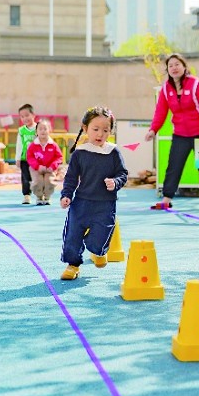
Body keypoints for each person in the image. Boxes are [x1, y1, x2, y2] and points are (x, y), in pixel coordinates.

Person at [60, 106, 128, 281]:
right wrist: (66, 195)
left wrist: (115, 182)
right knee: (72, 235)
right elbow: (71, 177)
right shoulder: (80, 153)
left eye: (105, 130)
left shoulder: (113, 152)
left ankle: (98, 251)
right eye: (95, 129)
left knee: (99, 238)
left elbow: (122, 174)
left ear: (110, 131)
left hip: (105, 204)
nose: (100, 134)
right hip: (81, 202)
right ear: (85, 128)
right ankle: (73, 265)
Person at [144, 53, 199, 210]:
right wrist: (153, 130)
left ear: (184, 66)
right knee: (173, 167)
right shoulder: (166, 89)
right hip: (180, 134)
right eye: (170, 66)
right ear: (167, 70)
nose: (174, 68)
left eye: (177, 64)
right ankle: (167, 199)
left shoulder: (196, 84)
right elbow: (160, 112)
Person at [26, 119, 63, 205]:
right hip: (36, 168)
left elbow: (59, 157)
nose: (43, 131)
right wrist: (37, 166)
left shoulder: (53, 145)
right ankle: (39, 197)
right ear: (36, 131)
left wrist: (52, 166)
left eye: (45, 129)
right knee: (38, 181)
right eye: (40, 129)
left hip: (50, 168)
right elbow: (30, 157)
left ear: (50, 130)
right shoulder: (33, 145)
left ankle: (47, 197)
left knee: (49, 181)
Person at [15, 103, 38, 204]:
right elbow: (19, 145)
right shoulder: (21, 131)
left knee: (37, 177)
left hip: (37, 159)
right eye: (22, 116)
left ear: (33, 115)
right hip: (25, 158)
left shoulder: (39, 128)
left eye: (27, 115)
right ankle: (26, 195)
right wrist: (18, 158)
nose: (25, 118)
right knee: (25, 177)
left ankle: (40, 195)